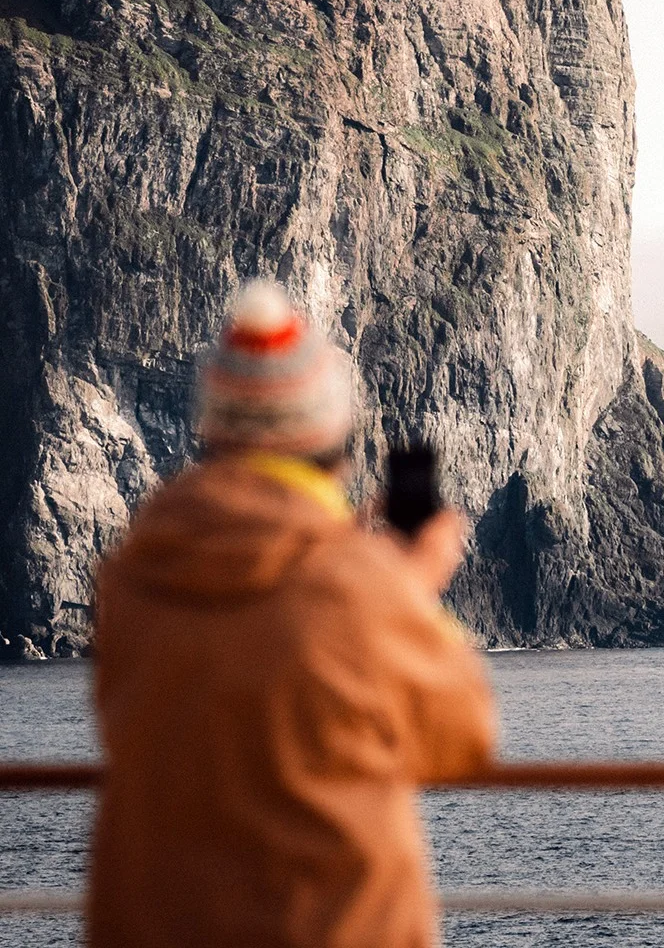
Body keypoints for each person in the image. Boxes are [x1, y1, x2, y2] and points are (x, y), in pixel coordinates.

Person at [89, 280, 496, 948]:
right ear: (331, 438)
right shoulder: (355, 588)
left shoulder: (132, 575)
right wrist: (407, 589)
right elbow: (462, 736)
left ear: (212, 434)